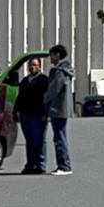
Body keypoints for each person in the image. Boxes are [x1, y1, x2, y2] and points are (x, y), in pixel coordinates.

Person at [43, 44, 75, 176]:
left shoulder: (60, 72)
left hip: (58, 109)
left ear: (57, 55)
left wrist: (44, 99)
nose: (50, 58)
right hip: (62, 109)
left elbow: (54, 90)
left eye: (51, 55)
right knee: (60, 136)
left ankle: (64, 166)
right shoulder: (64, 70)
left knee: (59, 137)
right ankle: (63, 165)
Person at [13, 58, 49, 174]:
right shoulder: (25, 81)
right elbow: (19, 97)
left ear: (39, 67)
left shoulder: (43, 80)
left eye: (34, 65)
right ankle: (30, 164)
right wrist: (15, 111)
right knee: (29, 140)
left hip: (38, 114)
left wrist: (45, 113)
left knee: (39, 140)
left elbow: (46, 98)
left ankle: (40, 165)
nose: (32, 67)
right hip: (25, 114)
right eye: (30, 65)